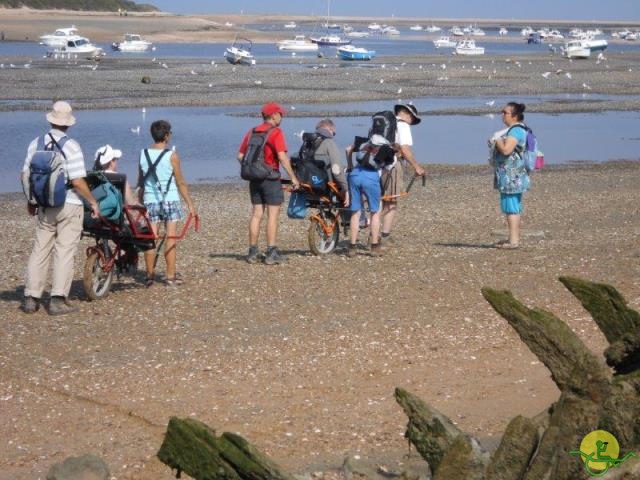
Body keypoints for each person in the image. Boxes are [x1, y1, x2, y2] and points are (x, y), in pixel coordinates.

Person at [21, 101, 100, 315]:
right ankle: (57, 299)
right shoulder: (71, 145)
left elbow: (26, 175)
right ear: (68, 124)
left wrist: (31, 200)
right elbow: (77, 181)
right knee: (64, 250)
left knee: (40, 249)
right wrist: (92, 202)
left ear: (51, 120)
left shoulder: (35, 143)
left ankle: (31, 297)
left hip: (45, 204)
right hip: (69, 204)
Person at [237, 102, 299, 265]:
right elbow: (282, 157)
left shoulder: (252, 132)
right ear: (273, 115)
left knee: (257, 214)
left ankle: (252, 252)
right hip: (270, 179)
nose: (282, 116)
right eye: (280, 114)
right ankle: (271, 252)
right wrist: (293, 177)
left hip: (254, 178)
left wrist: (254, 168)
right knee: (273, 215)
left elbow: (240, 156)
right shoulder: (276, 132)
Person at [137, 120, 196, 286]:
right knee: (170, 237)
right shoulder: (172, 155)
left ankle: (149, 275)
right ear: (167, 136)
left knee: (151, 238)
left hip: (150, 200)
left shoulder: (143, 153)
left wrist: (140, 200)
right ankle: (170, 276)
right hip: (170, 199)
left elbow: (140, 181)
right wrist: (190, 204)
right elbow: (180, 182)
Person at [379, 103, 426, 246]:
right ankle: (384, 236)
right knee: (391, 201)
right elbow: (405, 149)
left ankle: (374, 234)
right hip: (392, 165)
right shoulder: (403, 126)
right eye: (412, 118)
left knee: (379, 200)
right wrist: (416, 167)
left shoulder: (383, 123)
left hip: (377, 164)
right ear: (406, 113)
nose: (412, 121)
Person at [488, 102, 530, 249]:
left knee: (511, 207)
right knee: (513, 206)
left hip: (512, 175)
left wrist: (497, 140)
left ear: (514, 115)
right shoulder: (517, 129)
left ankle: (513, 241)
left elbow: (506, 150)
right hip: (513, 174)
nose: (502, 115)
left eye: (505, 112)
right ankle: (513, 239)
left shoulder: (515, 131)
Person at [312, 118, 349, 205]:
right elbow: (336, 170)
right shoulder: (328, 142)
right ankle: (354, 217)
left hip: (311, 183)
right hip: (327, 185)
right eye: (334, 133)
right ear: (330, 129)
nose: (333, 135)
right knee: (352, 179)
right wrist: (346, 189)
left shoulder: (308, 142)